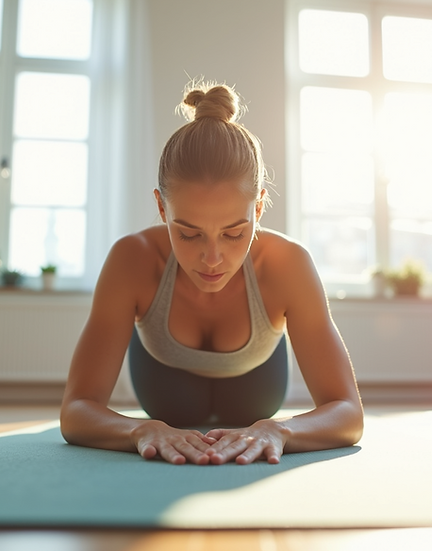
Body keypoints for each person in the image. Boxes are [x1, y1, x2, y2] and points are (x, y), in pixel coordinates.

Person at [60, 81, 363, 466]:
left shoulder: (289, 264)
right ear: (161, 206)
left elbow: (348, 413)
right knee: (175, 407)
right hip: (164, 391)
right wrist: (139, 429)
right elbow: (76, 411)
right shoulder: (132, 258)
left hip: (256, 389)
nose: (213, 258)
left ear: (258, 209)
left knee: (251, 406)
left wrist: (281, 429)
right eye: (188, 233)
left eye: (234, 233)